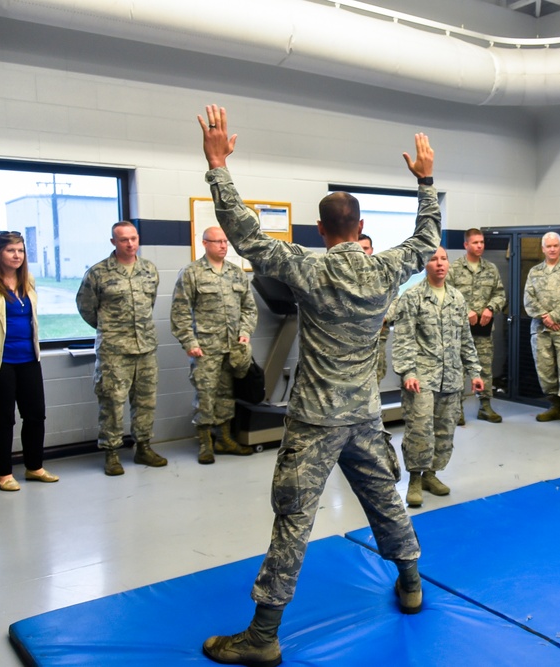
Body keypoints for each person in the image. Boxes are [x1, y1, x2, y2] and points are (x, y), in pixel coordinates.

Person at [197, 104, 439, 667]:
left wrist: (217, 166)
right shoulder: (385, 268)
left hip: (313, 423)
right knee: (386, 503)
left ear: (322, 231)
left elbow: (245, 233)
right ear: (360, 230)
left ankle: (263, 636)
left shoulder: (307, 267)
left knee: (293, 523)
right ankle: (410, 582)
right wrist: (425, 181)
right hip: (365, 417)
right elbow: (427, 238)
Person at [393, 247, 484, 508]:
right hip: (421, 377)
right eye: (434, 259)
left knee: (444, 430)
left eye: (443, 259)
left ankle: (431, 474)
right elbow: (403, 339)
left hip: (451, 377)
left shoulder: (457, 298)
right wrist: (408, 372)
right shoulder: (412, 297)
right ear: (425, 265)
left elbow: (466, 339)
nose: (440, 264)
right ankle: (414, 480)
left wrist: (475, 372)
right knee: (420, 429)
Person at [76, 221, 165, 476]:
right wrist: (110, 328)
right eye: (124, 239)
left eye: (134, 238)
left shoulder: (149, 269)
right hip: (114, 351)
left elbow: (150, 302)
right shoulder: (98, 273)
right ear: (114, 242)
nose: (130, 243)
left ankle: (143, 447)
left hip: (146, 347)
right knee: (112, 403)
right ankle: (112, 453)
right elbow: (86, 308)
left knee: (146, 402)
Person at [170, 226, 258, 464]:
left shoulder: (237, 273)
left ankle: (225, 439)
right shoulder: (191, 273)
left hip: (233, 348)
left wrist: (245, 332)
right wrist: (189, 341)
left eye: (225, 242)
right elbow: (179, 312)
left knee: (227, 395)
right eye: (217, 241)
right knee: (206, 395)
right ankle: (205, 442)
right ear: (205, 243)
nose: (222, 246)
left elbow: (249, 308)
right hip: (205, 348)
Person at [0, 231, 58, 492]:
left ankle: (34, 467)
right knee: (3, 419)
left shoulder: (28, 281)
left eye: (20, 251)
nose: (16, 255)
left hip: (29, 358)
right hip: (2, 361)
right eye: (10, 250)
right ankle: (3, 474)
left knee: (35, 415)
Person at [523, 231, 560, 430]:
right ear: (543, 249)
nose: (552, 249)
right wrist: (545, 318)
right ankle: (555, 405)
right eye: (548, 246)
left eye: (555, 246)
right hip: (541, 329)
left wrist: (555, 316)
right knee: (545, 370)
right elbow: (528, 300)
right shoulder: (534, 272)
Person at [446, 228, 507, 423]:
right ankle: (457, 410)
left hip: (483, 329)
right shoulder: (453, 269)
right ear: (466, 245)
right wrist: (467, 311)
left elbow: (500, 294)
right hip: (459, 331)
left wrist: (490, 308)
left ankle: (485, 406)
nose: (479, 245)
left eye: (481, 242)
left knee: (484, 368)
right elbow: (446, 296)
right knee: (458, 369)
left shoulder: (491, 268)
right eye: (475, 242)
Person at [359, 233, 392, 386]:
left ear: (372, 250)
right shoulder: (342, 275)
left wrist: (383, 316)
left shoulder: (382, 274)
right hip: (353, 346)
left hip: (377, 343)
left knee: (374, 384)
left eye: (366, 248)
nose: (363, 252)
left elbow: (395, 300)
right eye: (359, 249)